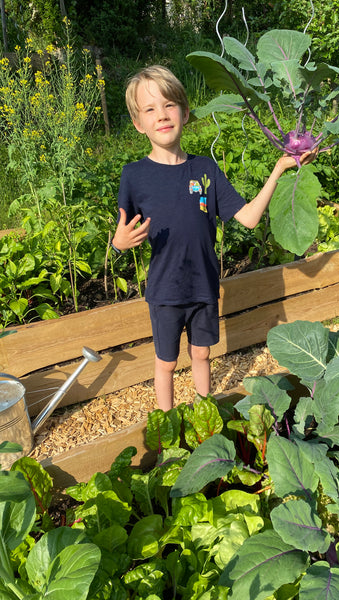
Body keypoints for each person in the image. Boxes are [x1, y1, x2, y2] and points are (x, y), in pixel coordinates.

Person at [111, 65, 316, 411]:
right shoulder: (134, 176)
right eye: (150, 109)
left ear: (185, 112)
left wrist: (279, 169)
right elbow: (120, 236)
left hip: (203, 285)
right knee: (167, 362)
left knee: (202, 353)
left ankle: (205, 417)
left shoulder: (205, 169)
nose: (161, 115)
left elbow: (249, 218)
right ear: (138, 123)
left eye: (169, 105)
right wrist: (119, 244)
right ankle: (168, 422)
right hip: (164, 290)